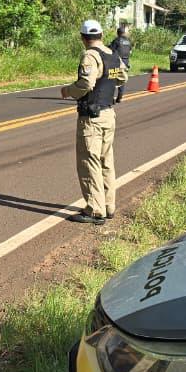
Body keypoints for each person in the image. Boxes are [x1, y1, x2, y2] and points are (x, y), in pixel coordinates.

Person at [60, 19, 125, 226]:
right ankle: (108, 205)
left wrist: (68, 91)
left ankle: (95, 211)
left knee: (89, 162)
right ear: (102, 35)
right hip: (108, 114)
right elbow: (122, 77)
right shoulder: (112, 55)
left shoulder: (90, 55)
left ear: (83, 38)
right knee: (106, 161)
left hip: (92, 118)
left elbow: (86, 83)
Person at [109, 24, 132, 104]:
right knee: (122, 79)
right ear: (124, 33)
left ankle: (112, 99)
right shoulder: (128, 41)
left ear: (118, 33)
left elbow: (110, 50)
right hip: (125, 62)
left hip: (116, 62)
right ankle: (120, 98)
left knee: (112, 80)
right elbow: (130, 52)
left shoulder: (116, 40)